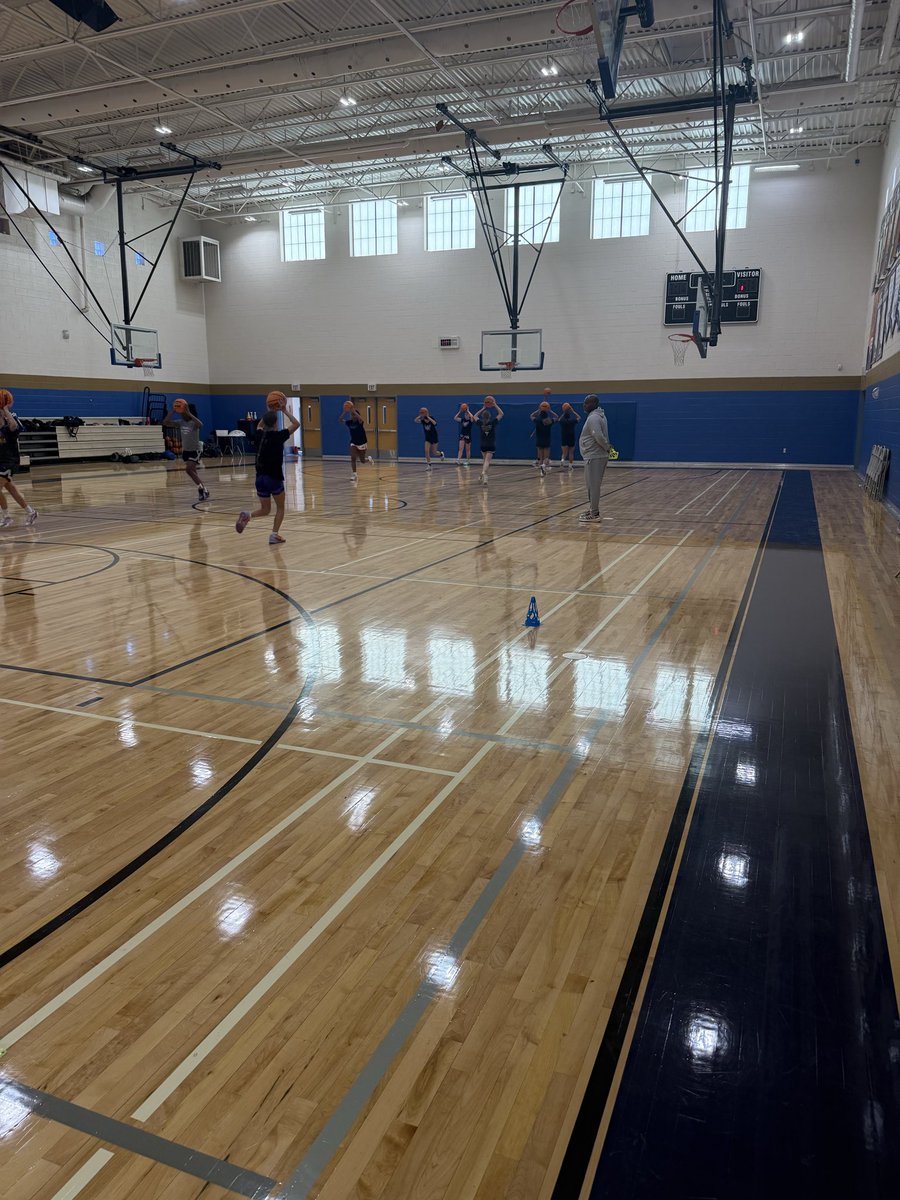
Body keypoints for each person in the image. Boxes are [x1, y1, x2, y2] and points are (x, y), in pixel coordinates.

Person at [235, 391, 299, 543]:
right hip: (274, 477)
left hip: (260, 478)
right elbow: (296, 424)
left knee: (266, 509)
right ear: (276, 423)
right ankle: (274, 534)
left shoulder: (259, 435)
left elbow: (259, 425)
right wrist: (284, 410)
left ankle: (248, 516)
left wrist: (270, 409)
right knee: (281, 508)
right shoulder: (279, 436)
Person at [0, 389, 37, 528]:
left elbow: (14, 427)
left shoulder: (12, 416)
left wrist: (5, 409)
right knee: (12, 490)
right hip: (0, 458)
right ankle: (31, 512)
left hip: (10, 460)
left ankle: (6, 517)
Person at [163, 398, 209, 501]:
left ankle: (202, 489)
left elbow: (201, 424)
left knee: (188, 470)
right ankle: (203, 490)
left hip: (195, 450)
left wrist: (189, 413)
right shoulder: (180, 422)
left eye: (184, 412)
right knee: (193, 472)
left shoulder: (194, 423)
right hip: (186, 451)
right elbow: (165, 422)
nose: (182, 414)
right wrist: (173, 411)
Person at [578, 394, 611, 524]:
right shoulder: (598, 416)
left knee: (594, 485)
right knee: (591, 485)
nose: (584, 405)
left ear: (593, 404)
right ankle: (592, 508)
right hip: (593, 456)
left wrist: (607, 447)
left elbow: (598, 436)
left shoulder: (594, 418)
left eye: (586, 403)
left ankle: (594, 513)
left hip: (595, 456)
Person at [472, 396, 504, 486]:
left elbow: (474, 416)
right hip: (491, 445)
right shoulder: (493, 423)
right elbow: (501, 414)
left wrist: (483, 408)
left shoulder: (480, 423)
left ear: (483, 416)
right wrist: (495, 405)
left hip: (483, 445)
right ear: (490, 417)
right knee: (487, 462)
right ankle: (483, 473)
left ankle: (485, 478)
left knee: (485, 462)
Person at [341, 401, 370, 481]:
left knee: (362, 461)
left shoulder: (359, 422)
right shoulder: (349, 422)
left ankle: (369, 459)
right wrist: (344, 411)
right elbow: (340, 420)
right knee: (353, 457)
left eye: (353, 415)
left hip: (362, 442)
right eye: (351, 415)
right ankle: (354, 475)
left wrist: (354, 411)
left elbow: (361, 419)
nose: (352, 416)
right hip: (354, 442)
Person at [529, 399, 558, 476]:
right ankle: (544, 466)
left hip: (539, 439)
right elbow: (557, 417)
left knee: (540, 457)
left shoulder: (537, 420)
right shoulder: (548, 421)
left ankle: (542, 472)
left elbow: (531, 415)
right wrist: (550, 410)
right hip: (546, 439)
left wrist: (538, 409)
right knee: (546, 457)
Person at [559, 401, 580, 468]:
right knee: (571, 452)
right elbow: (579, 418)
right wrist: (572, 411)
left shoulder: (562, 421)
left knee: (564, 453)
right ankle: (570, 466)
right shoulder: (572, 421)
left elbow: (559, 419)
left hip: (564, 437)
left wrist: (564, 411)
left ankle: (562, 460)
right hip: (571, 437)